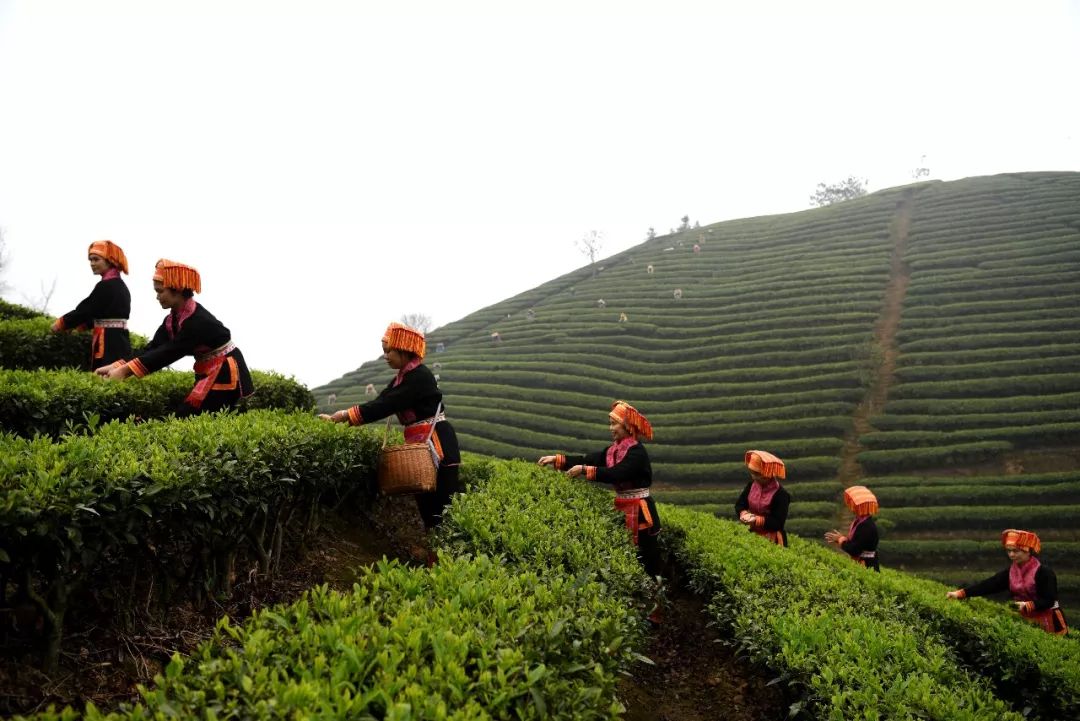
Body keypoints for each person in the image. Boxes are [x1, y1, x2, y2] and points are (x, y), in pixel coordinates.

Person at [321, 322, 462, 538]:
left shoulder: (419, 377)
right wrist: (341, 416)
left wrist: (345, 416)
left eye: (389, 351)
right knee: (427, 509)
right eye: (384, 352)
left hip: (438, 445)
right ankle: (436, 559)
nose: (386, 357)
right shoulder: (402, 378)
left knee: (441, 509)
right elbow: (383, 400)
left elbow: (386, 405)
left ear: (405, 351)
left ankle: (446, 561)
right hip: (420, 444)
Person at [96, 259, 253, 416]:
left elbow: (168, 353)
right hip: (209, 370)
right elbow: (153, 348)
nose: (157, 297)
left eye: (160, 291)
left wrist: (125, 372)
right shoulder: (172, 320)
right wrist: (116, 366)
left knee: (187, 417)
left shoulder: (198, 322)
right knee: (191, 417)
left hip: (224, 371)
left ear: (177, 291)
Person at [538, 400, 662, 579]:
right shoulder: (612, 451)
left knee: (646, 558)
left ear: (627, 426)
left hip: (641, 511)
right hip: (622, 507)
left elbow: (617, 473)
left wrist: (584, 470)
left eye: (614, 424)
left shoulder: (637, 452)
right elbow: (588, 459)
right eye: (610, 424)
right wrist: (557, 459)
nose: (611, 428)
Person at [946, 529, 1068, 635]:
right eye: (1009, 551)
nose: (1011, 554)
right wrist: (961, 593)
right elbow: (990, 585)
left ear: (1028, 551)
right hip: (1025, 618)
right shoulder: (1011, 571)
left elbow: (1049, 600)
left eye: (1016, 551)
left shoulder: (1044, 572)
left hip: (1049, 619)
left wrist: (1027, 605)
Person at [51, 240, 133, 369]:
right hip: (119, 338)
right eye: (90, 260)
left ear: (110, 261)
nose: (92, 264)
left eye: (96, 259)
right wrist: (81, 327)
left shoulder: (107, 285)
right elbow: (101, 313)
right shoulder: (120, 286)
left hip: (109, 341)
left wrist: (62, 323)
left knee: (105, 376)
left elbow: (86, 309)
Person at [735, 450, 790, 546]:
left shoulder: (781, 495)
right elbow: (740, 504)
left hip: (772, 540)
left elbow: (778, 522)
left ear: (767, 475)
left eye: (758, 475)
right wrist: (743, 513)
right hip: (750, 533)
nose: (754, 477)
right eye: (753, 473)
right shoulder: (751, 485)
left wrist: (756, 520)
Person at [825, 485, 880, 570]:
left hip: (866, 565)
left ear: (860, 507)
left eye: (854, 504)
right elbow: (858, 543)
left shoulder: (866, 526)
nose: (851, 506)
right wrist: (841, 539)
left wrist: (841, 540)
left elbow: (854, 550)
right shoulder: (861, 522)